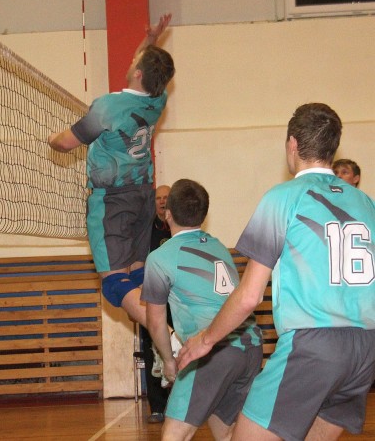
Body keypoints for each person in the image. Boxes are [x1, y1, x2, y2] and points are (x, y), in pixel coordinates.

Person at [177, 103, 375, 441]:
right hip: (365, 347)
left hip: (313, 346)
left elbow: (250, 296)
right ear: (333, 147)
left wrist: (205, 340)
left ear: (292, 144)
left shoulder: (284, 197)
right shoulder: (366, 203)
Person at [48, 14, 175, 327]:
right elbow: (146, 67)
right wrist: (152, 39)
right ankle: (168, 335)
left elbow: (65, 143)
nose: (132, 60)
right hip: (143, 195)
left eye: (136, 61)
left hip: (112, 201)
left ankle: (169, 337)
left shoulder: (107, 107)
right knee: (137, 273)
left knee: (115, 283)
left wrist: (49, 138)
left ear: (138, 72)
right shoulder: (158, 100)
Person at [143, 179, 263, 440]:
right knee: (227, 432)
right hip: (250, 345)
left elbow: (155, 322)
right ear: (203, 215)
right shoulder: (218, 247)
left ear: (168, 214)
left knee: (174, 434)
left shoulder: (160, 258)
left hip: (211, 350)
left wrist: (169, 361)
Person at [140, 184, 172, 423]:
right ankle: (157, 407)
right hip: (152, 299)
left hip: (177, 300)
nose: (162, 201)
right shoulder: (145, 230)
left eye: (166, 197)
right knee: (152, 350)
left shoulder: (180, 228)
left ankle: (180, 405)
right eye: (158, 198)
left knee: (179, 347)